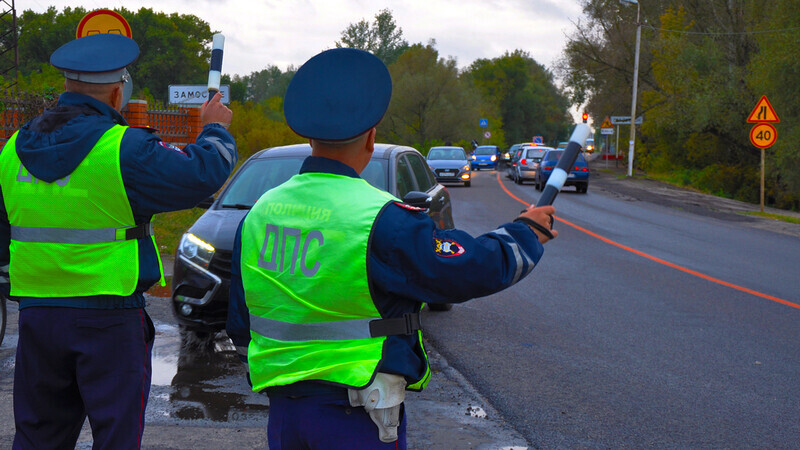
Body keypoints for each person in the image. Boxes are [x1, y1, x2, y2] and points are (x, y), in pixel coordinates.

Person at [225, 47, 557, 449]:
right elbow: (466, 270)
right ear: (371, 137)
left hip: (284, 417)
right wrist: (524, 232)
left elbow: (242, 323)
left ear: (309, 136)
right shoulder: (381, 219)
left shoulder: (260, 213)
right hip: (356, 419)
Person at [0, 33, 237, 448]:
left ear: (67, 86)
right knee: (116, 438)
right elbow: (202, 173)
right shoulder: (124, 149)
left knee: (38, 439)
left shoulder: (12, 150)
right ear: (117, 90)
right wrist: (215, 128)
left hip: (37, 319)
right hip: (108, 317)